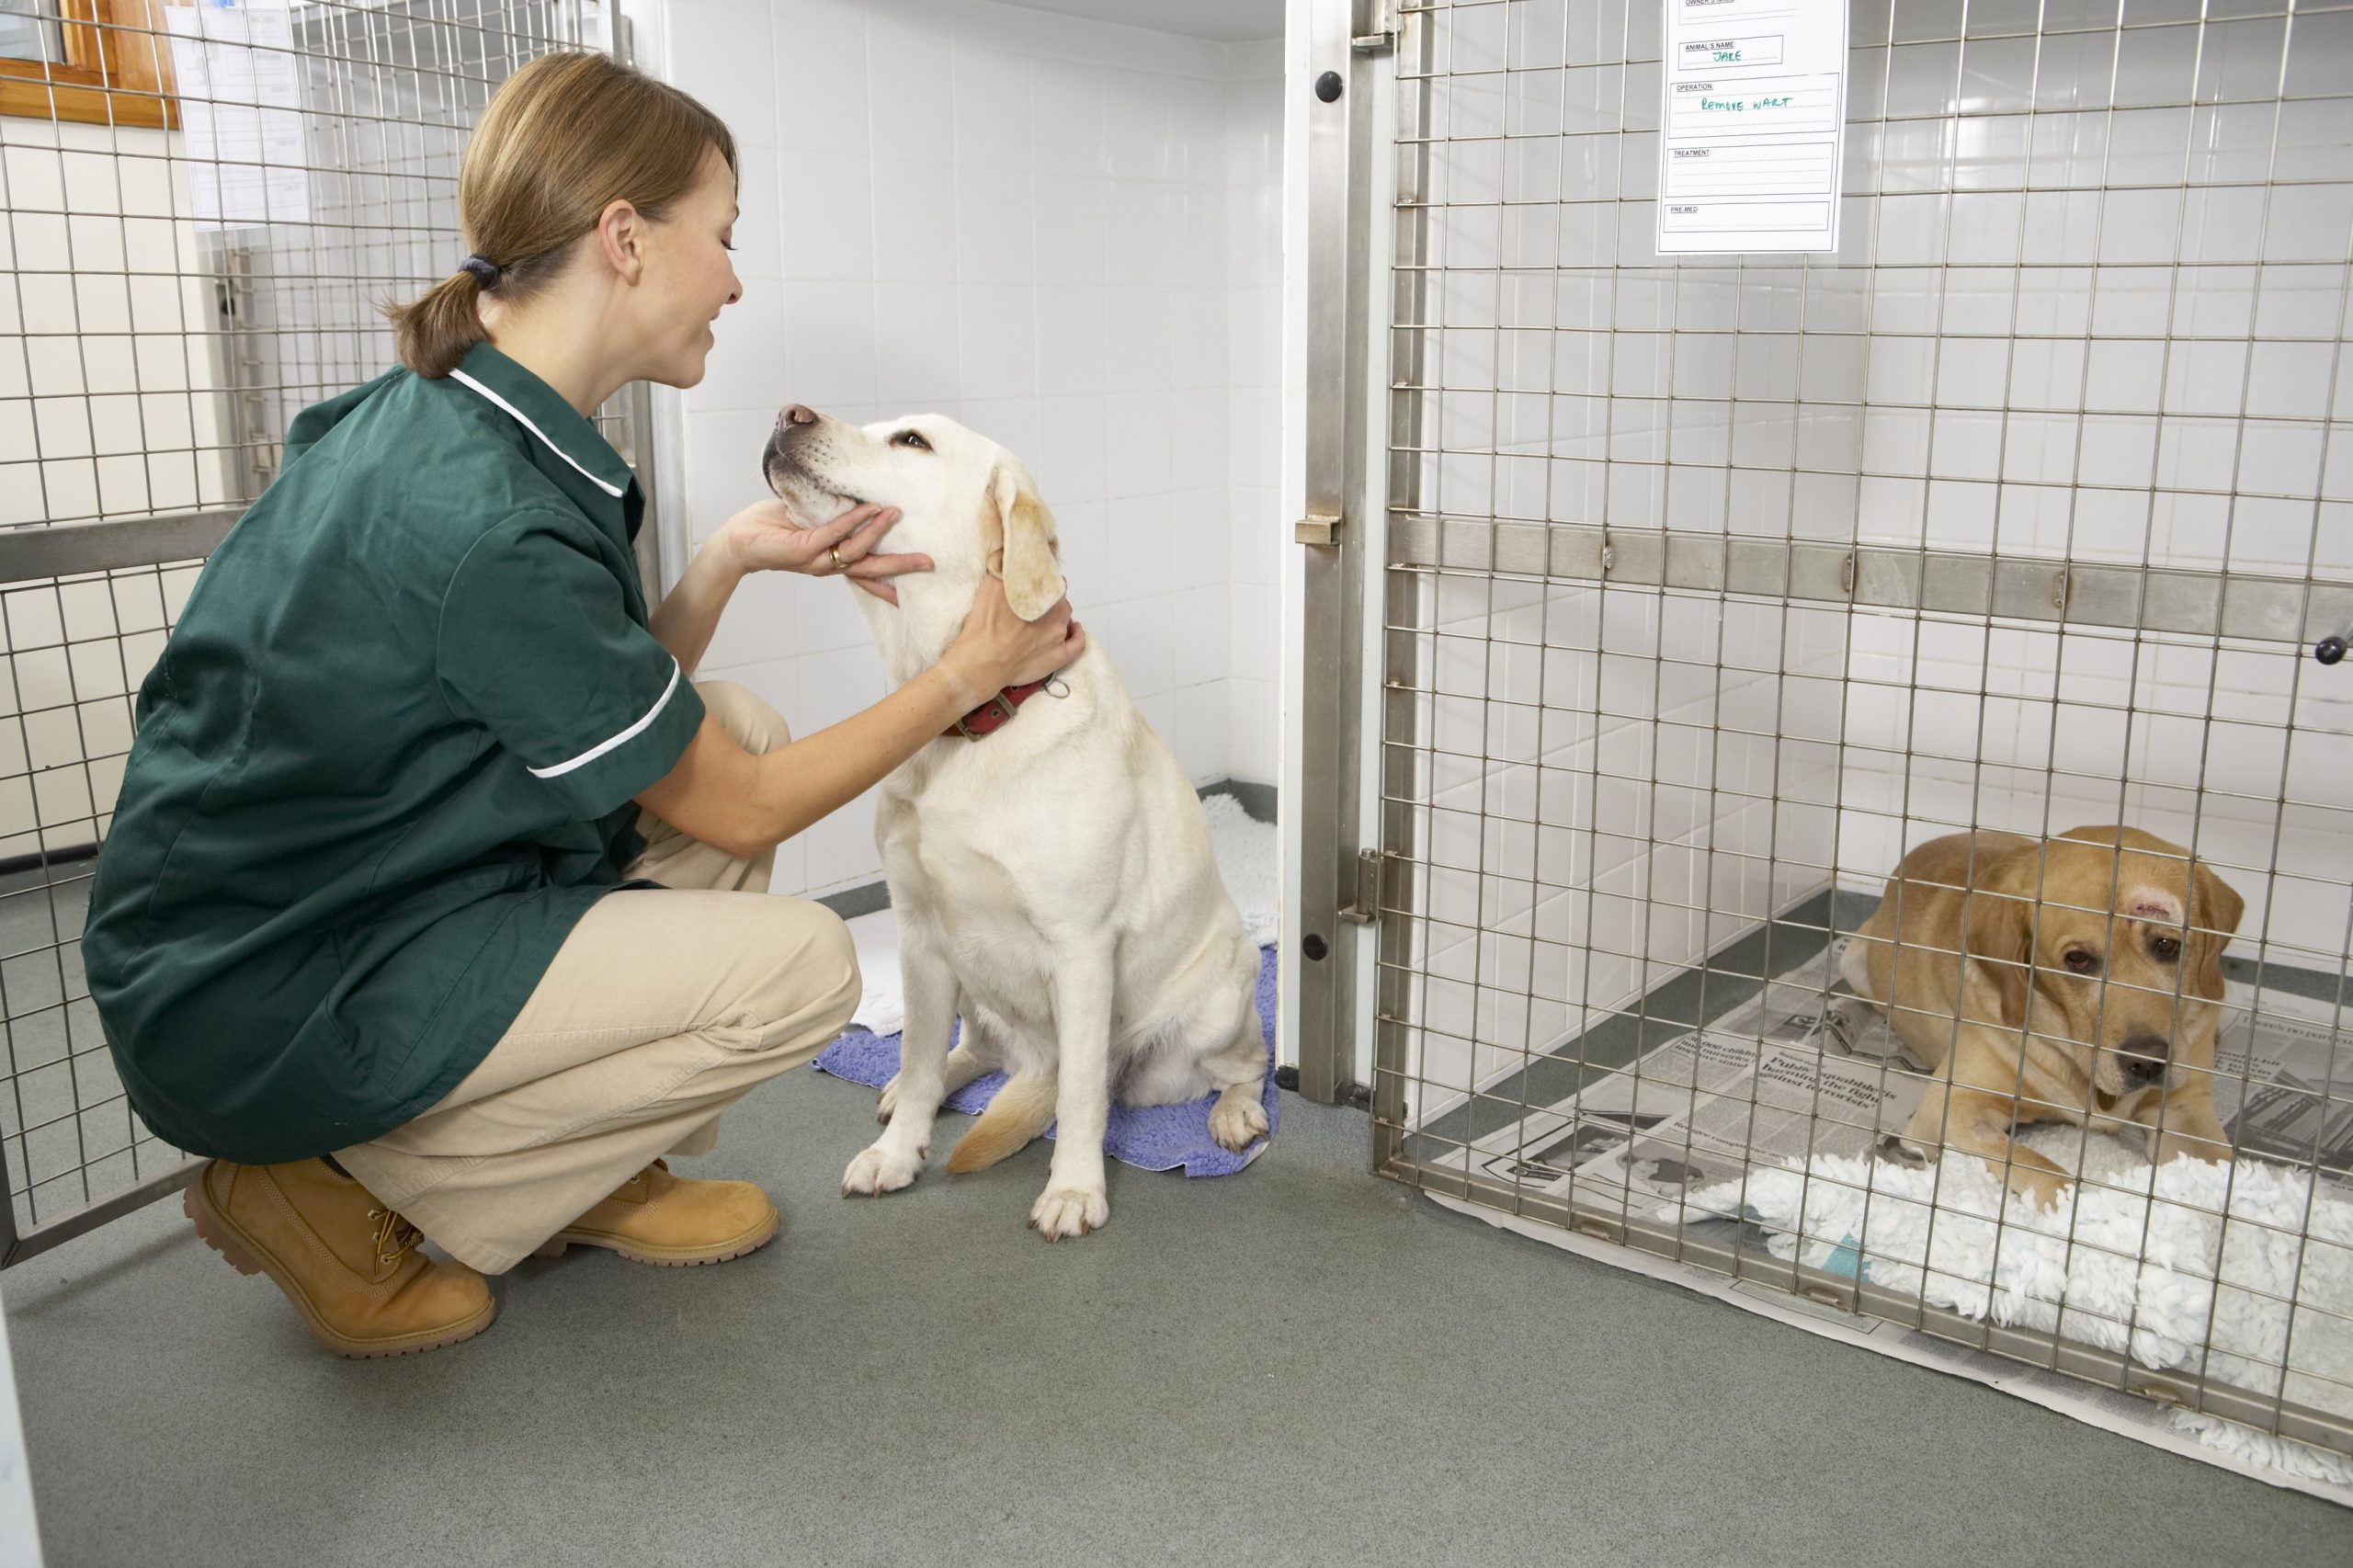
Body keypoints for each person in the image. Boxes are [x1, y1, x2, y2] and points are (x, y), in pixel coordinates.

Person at [79, 51, 1083, 1358]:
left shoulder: (453, 413)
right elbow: (742, 806)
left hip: (350, 896)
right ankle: (322, 1193)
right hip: (263, 986)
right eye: (720, 238)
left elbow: (579, 695)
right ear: (624, 239)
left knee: (742, 715)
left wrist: (726, 557)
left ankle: (584, 1168)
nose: (734, 277)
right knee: (802, 967)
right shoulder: (487, 518)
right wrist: (967, 673)